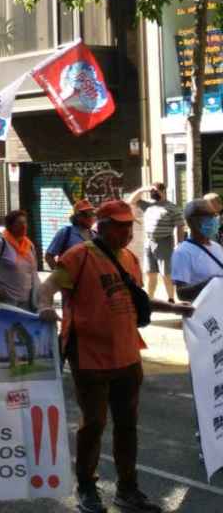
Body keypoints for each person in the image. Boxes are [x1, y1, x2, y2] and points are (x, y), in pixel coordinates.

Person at [38, 200, 193, 513]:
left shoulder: (130, 258)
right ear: (102, 225)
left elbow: (138, 300)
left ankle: (127, 489)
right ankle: (86, 488)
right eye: (119, 225)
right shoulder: (79, 256)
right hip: (90, 356)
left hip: (127, 354)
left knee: (127, 425)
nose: (125, 231)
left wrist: (173, 308)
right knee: (93, 424)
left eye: (128, 225)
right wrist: (43, 307)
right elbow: (48, 287)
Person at [128, 182, 183, 302]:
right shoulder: (148, 205)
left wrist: (179, 244)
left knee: (166, 274)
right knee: (150, 273)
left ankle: (171, 299)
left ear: (163, 191)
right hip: (149, 243)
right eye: (151, 192)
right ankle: (150, 301)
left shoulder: (172, 208)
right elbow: (131, 201)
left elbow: (180, 226)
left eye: (155, 191)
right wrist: (143, 189)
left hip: (165, 242)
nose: (153, 194)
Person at [0, 210, 40, 311]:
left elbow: (33, 272)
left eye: (25, 222)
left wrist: (38, 294)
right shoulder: (2, 244)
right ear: (11, 226)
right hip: (7, 300)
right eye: (19, 223)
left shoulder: (29, 246)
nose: (23, 226)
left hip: (27, 301)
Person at [171, 199, 223, 302]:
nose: (215, 219)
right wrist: (211, 282)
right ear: (193, 221)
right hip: (202, 315)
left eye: (215, 215)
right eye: (209, 216)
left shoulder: (216, 246)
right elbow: (181, 293)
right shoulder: (182, 252)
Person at [45, 199, 96, 270]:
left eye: (92, 214)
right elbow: (49, 256)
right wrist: (59, 276)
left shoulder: (95, 235)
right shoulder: (65, 233)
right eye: (87, 214)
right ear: (78, 216)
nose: (91, 218)